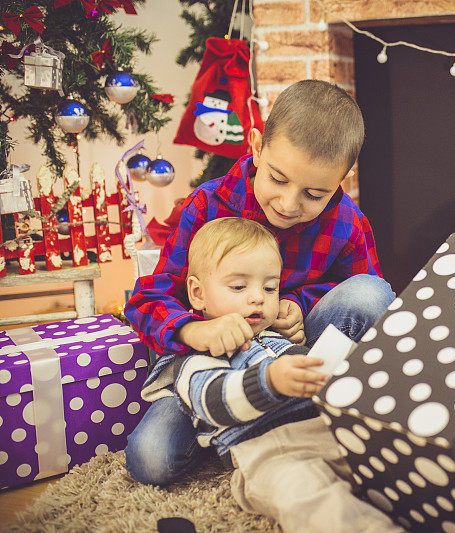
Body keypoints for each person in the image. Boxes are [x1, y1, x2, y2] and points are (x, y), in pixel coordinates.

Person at [124, 79, 395, 486]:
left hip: (294, 355)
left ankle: (292, 416)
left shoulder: (347, 222)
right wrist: (198, 329)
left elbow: (364, 301)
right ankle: (232, 430)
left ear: (344, 177)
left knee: (373, 292)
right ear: (255, 145)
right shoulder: (207, 205)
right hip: (206, 365)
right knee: (151, 460)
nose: (289, 204)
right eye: (278, 179)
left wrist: (300, 305)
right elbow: (146, 300)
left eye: (314, 193)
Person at [140, 218, 401, 532]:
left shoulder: (280, 339)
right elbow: (214, 401)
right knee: (311, 500)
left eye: (269, 287)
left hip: (328, 433)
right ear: (197, 294)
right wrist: (270, 381)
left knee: (394, 467)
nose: (257, 298)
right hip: (268, 454)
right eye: (239, 287)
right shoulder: (194, 357)